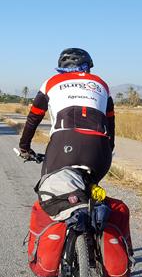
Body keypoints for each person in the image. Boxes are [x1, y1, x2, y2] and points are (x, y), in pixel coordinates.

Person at [19, 48, 115, 183]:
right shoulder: (102, 84)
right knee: (93, 192)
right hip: (99, 146)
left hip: (63, 140)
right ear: (87, 66)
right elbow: (110, 122)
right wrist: (109, 148)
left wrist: (24, 147)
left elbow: (33, 118)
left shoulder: (50, 83)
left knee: (49, 191)